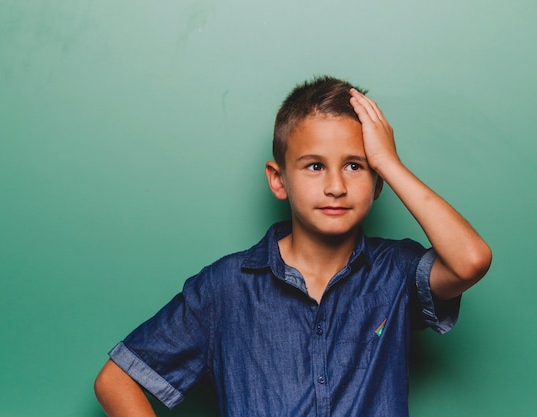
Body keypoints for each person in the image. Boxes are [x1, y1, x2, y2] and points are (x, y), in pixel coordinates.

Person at [94, 76, 492, 417]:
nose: (335, 186)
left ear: (377, 183)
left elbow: (470, 260)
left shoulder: (395, 272)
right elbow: (116, 380)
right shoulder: (226, 288)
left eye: (355, 166)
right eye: (314, 166)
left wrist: (389, 161)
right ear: (278, 179)